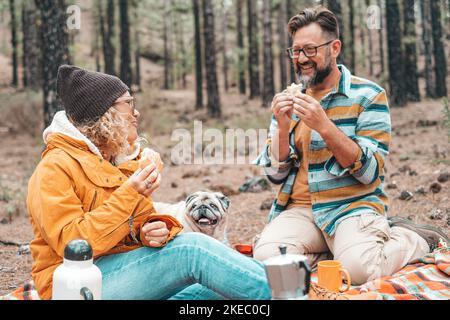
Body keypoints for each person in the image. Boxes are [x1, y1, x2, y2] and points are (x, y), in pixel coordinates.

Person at [27, 65, 271, 300]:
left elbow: (134, 227)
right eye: (128, 103)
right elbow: (73, 244)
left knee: (223, 284)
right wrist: (130, 193)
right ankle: (293, 294)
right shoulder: (54, 168)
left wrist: (148, 233)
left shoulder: (118, 161)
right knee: (193, 250)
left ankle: (284, 286)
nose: (136, 113)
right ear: (104, 114)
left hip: (124, 274)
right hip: (77, 287)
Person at [253, 6, 449, 285]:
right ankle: (338, 255)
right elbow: (274, 176)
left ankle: (414, 239)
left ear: (334, 48)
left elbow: (370, 173)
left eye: (310, 50)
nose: (301, 59)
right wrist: (282, 127)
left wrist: (324, 125)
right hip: (300, 210)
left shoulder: (368, 96)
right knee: (270, 264)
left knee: (358, 271)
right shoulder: (289, 100)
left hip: (351, 207)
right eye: (296, 51)